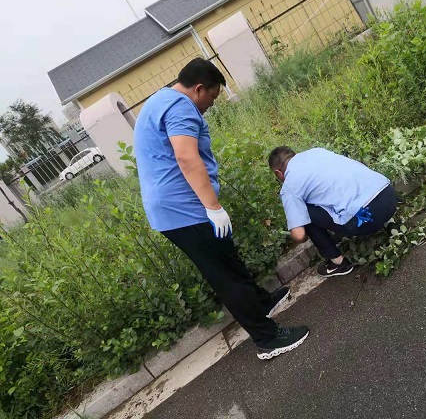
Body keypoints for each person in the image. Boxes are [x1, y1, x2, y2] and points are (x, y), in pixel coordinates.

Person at [134, 58, 309, 360]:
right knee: (224, 274)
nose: (211, 105)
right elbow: (186, 158)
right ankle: (267, 339)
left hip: (175, 206)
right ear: (199, 89)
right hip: (184, 210)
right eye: (213, 97)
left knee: (227, 257)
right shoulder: (180, 106)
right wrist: (213, 207)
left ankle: (261, 302)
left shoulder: (159, 100)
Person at [269, 146, 397, 277]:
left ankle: (338, 263)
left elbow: (299, 235)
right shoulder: (316, 152)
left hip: (367, 219)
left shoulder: (289, 187)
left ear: (278, 173)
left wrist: (302, 232)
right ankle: (390, 222)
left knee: (303, 213)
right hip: (389, 196)